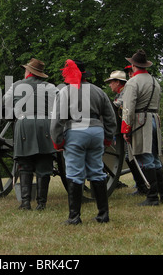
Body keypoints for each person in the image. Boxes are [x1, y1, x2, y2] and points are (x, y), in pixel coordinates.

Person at [51, 59, 117, 224]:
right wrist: (108, 137)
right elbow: (110, 117)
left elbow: (57, 120)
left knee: (74, 172)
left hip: (75, 131)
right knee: (97, 170)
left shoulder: (65, 92)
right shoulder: (98, 91)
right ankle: (103, 214)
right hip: (96, 132)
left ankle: (74, 217)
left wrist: (57, 141)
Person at [3, 58, 58, 210]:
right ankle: (41, 203)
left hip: (24, 124)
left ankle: (25, 202)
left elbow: (6, 104)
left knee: (25, 165)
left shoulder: (16, 86)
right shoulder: (51, 87)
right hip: (45, 125)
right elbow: (58, 106)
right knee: (44, 165)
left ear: (28, 72)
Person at [121, 49, 163, 206]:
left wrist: (126, 130)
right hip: (154, 119)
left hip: (141, 121)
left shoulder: (132, 83)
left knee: (146, 158)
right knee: (155, 158)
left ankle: (152, 197)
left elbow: (128, 108)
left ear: (133, 66)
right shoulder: (155, 81)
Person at [105, 70, 148, 196]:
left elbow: (121, 106)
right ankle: (141, 186)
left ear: (118, 82)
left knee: (133, 157)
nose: (109, 85)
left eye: (111, 82)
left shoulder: (125, 92)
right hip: (126, 128)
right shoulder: (120, 93)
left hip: (132, 127)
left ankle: (143, 187)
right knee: (130, 158)